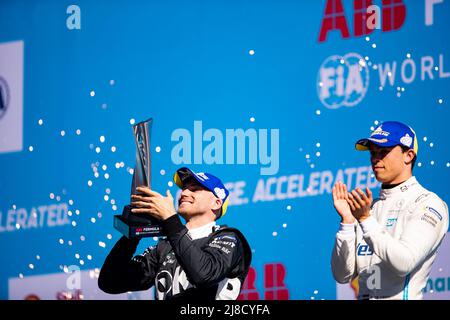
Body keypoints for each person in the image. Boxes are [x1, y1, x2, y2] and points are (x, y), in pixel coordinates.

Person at [331, 121, 449, 300]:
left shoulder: (428, 204)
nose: (375, 158)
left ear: (408, 156)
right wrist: (347, 222)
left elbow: (404, 262)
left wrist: (365, 219)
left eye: (384, 151)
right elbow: (342, 275)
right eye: (373, 152)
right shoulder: (370, 208)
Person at [98, 167, 252, 300]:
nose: (184, 192)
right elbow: (110, 281)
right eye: (184, 188)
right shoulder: (165, 246)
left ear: (216, 203)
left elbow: (204, 275)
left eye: (194, 188)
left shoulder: (229, 237)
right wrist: (133, 233)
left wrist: (170, 219)